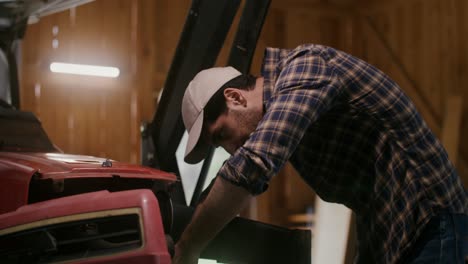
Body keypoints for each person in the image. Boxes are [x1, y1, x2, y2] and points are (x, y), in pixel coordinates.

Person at [173, 44, 468, 264]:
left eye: (222, 135)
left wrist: (189, 246)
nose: (230, 149)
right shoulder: (285, 110)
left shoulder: (307, 66)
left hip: (432, 222)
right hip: (394, 235)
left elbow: (252, 163)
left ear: (236, 97)